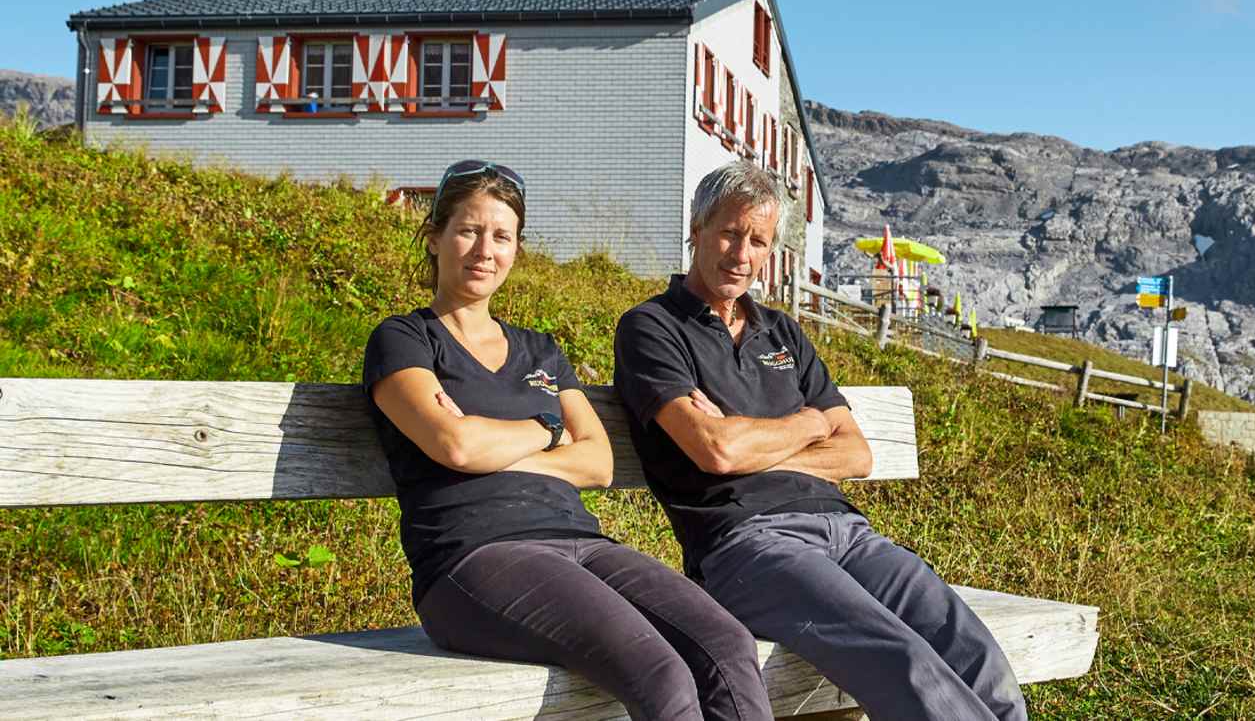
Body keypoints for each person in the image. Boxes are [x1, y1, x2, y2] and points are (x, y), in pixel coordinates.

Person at [613, 160, 1028, 721]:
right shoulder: (652, 328)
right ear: (697, 230)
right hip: (747, 546)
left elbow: (856, 453)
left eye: (757, 241)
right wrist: (810, 423)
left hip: (848, 533)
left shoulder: (782, 332)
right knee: (903, 659)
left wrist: (753, 443)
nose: (741, 254)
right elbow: (717, 451)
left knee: (976, 656)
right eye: (730, 233)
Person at [363, 160, 772, 721]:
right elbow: (454, 445)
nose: (485, 250)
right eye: (468, 231)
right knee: (661, 669)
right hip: (473, 559)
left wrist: (497, 448)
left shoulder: (540, 352)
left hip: (581, 543)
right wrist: (546, 429)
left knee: (726, 643)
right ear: (434, 239)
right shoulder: (404, 338)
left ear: (516, 250)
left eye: (502, 236)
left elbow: (598, 462)